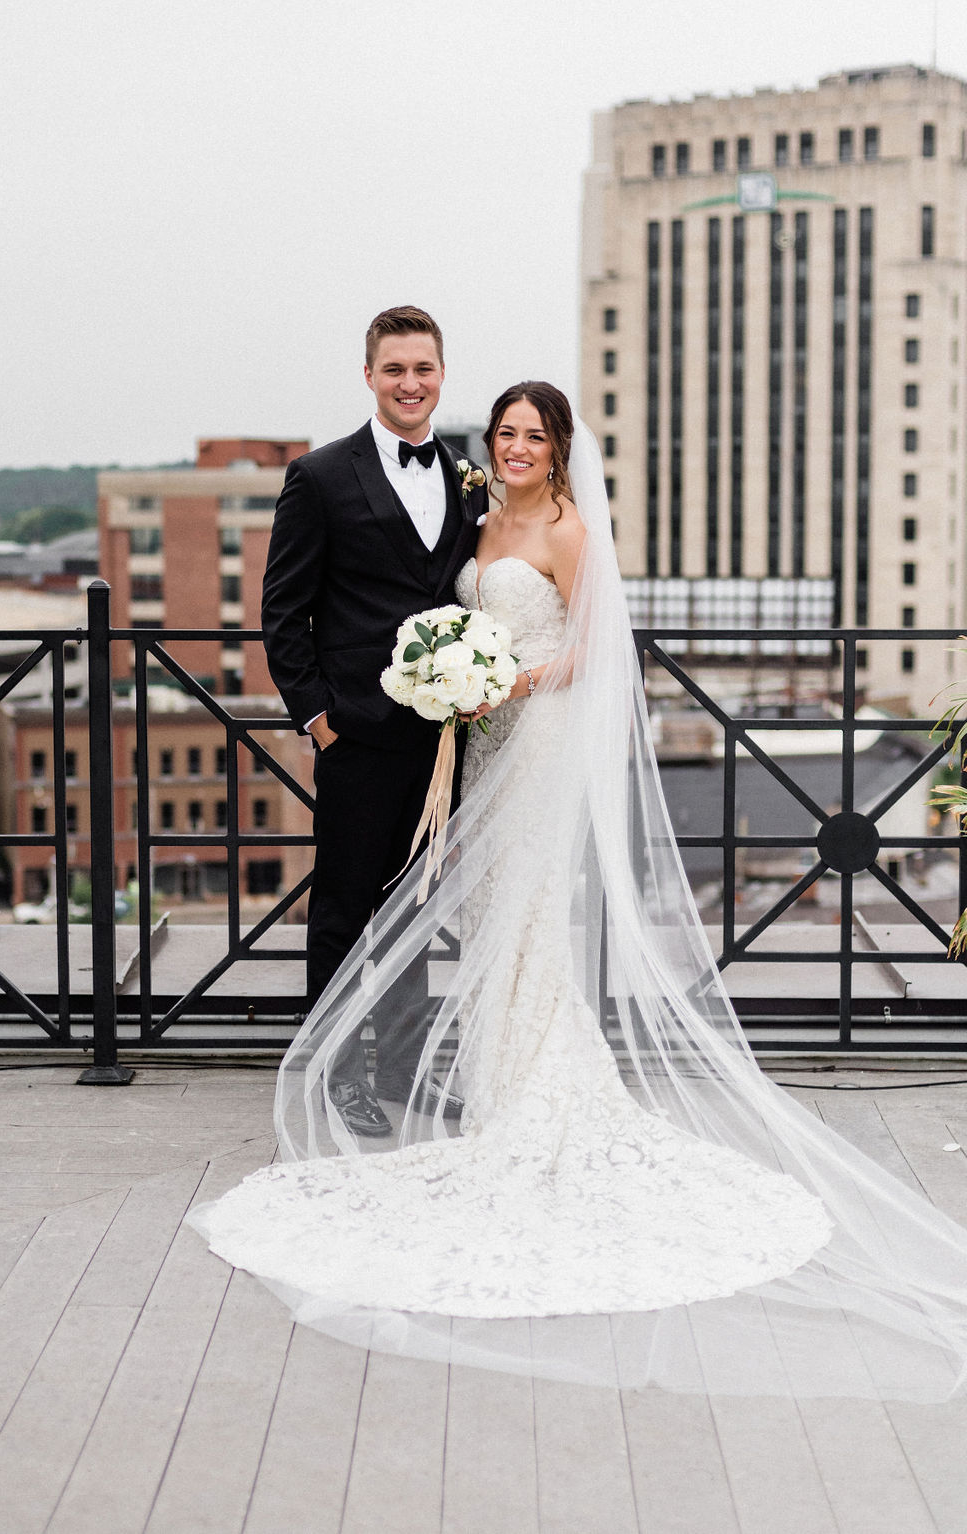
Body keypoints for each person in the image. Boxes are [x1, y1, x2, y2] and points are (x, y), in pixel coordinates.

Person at [190, 383, 967, 1403]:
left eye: (534, 435)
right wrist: (455, 680)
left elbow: (596, 652)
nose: (517, 447)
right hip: (478, 739)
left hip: (536, 739)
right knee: (479, 912)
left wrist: (508, 681)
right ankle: (497, 1068)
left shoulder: (566, 528)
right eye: (506, 433)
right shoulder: (481, 515)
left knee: (521, 906)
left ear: (559, 448)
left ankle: (533, 1083)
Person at [260, 306, 486, 1138]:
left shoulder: (466, 476)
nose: (410, 384)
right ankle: (329, 1071)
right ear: (369, 376)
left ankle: (400, 1070)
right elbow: (283, 612)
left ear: (439, 374)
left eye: (423, 369)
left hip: (440, 747)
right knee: (344, 910)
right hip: (356, 736)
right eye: (394, 369)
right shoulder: (319, 477)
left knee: (414, 913)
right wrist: (319, 721)